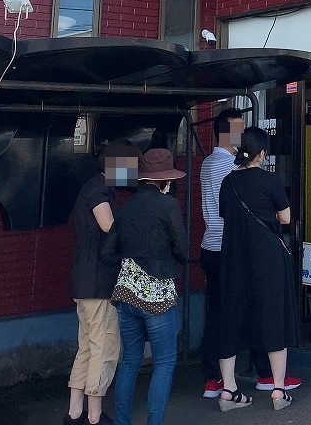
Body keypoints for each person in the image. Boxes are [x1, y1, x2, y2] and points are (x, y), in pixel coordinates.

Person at [199, 109, 301, 398]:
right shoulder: (248, 175)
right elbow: (282, 216)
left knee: (225, 315)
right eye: (237, 128)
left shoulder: (216, 171)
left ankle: (223, 384)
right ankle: (270, 381)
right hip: (249, 251)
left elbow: (223, 211)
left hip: (223, 250)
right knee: (264, 312)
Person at [103, 148, 189, 425]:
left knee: (130, 362)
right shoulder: (169, 206)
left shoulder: (125, 207)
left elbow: (107, 252)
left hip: (126, 290)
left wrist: (132, 260)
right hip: (157, 295)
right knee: (164, 363)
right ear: (165, 180)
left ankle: (122, 422)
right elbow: (184, 250)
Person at [66, 141, 139, 425]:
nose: (132, 173)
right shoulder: (98, 191)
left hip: (84, 281)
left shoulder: (93, 186)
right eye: (130, 166)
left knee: (87, 346)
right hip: (98, 281)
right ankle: (95, 416)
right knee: (105, 347)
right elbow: (109, 226)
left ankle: (74, 413)